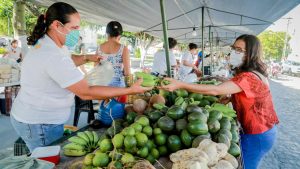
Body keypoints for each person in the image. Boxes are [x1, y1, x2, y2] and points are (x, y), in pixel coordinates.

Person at [10, 2, 151, 152]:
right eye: (74, 28)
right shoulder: (52, 55)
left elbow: (68, 59)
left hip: (32, 116)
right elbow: (86, 91)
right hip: (40, 123)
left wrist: (87, 58)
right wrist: (129, 90)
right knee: (47, 162)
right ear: (57, 25)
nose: (77, 33)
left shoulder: (50, 44)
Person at [161, 34, 279, 169]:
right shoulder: (255, 73)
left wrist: (180, 84)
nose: (234, 52)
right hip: (263, 130)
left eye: (240, 50)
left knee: (245, 166)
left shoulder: (249, 77)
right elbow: (253, 96)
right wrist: (232, 98)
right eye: (234, 48)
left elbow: (215, 91)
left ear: (251, 53)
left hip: (258, 134)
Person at [96, 21, 130, 87]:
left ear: (107, 33)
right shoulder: (123, 49)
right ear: (120, 35)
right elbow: (127, 73)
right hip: (117, 87)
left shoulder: (99, 48)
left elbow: (96, 67)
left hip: (102, 85)